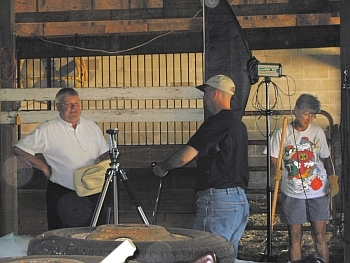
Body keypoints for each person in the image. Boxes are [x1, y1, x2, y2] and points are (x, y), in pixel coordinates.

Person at [153, 75, 250, 258]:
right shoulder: (239, 125)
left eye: (205, 94)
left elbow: (185, 157)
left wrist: (163, 167)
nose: (204, 98)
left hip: (218, 202)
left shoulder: (216, 124)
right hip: (238, 201)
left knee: (206, 255)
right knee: (227, 257)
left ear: (214, 93)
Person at [13, 87, 109, 230]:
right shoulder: (47, 130)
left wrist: (101, 160)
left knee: (95, 235)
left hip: (94, 192)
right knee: (64, 238)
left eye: (76, 103)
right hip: (65, 194)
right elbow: (18, 149)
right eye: (68, 104)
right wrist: (44, 167)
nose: (73, 108)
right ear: (58, 107)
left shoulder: (91, 126)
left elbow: (104, 152)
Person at [269, 94, 338, 263]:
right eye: (307, 114)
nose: (309, 118)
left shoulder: (317, 132)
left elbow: (326, 158)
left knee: (320, 234)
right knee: (294, 236)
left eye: (312, 115)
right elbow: (274, 158)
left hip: (317, 190)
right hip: (292, 191)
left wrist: (332, 177)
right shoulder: (281, 132)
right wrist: (275, 170)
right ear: (296, 111)